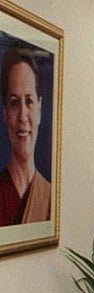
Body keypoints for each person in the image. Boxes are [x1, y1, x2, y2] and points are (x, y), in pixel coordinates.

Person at [0, 44, 49, 226]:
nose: (22, 116)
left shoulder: (51, 198)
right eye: (14, 103)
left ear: (40, 110)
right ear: (5, 113)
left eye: (29, 101)